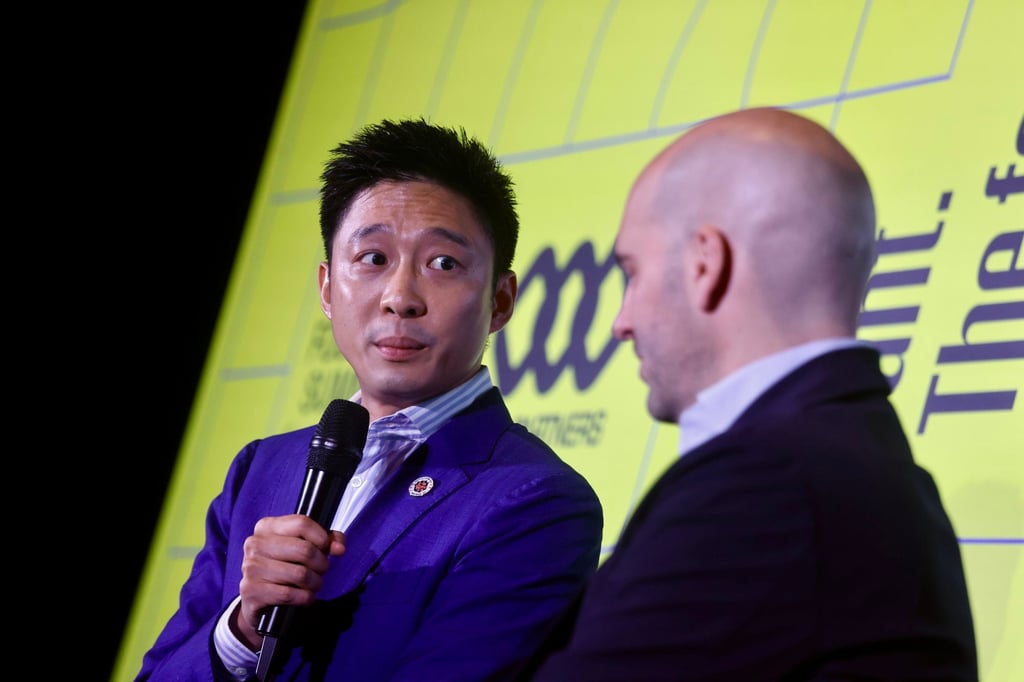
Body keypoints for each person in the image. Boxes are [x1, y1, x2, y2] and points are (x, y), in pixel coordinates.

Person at [136, 118, 604, 681]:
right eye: (373, 259)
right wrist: (239, 631)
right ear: (328, 288)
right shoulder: (261, 468)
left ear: (500, 301)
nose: (400, 298)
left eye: (444, 263)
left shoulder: (535, 501)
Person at [521, 107, 978, 680]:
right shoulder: (853, 466)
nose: (621, 321)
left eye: (631, 273)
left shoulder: (766, 488)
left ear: (704, 264)